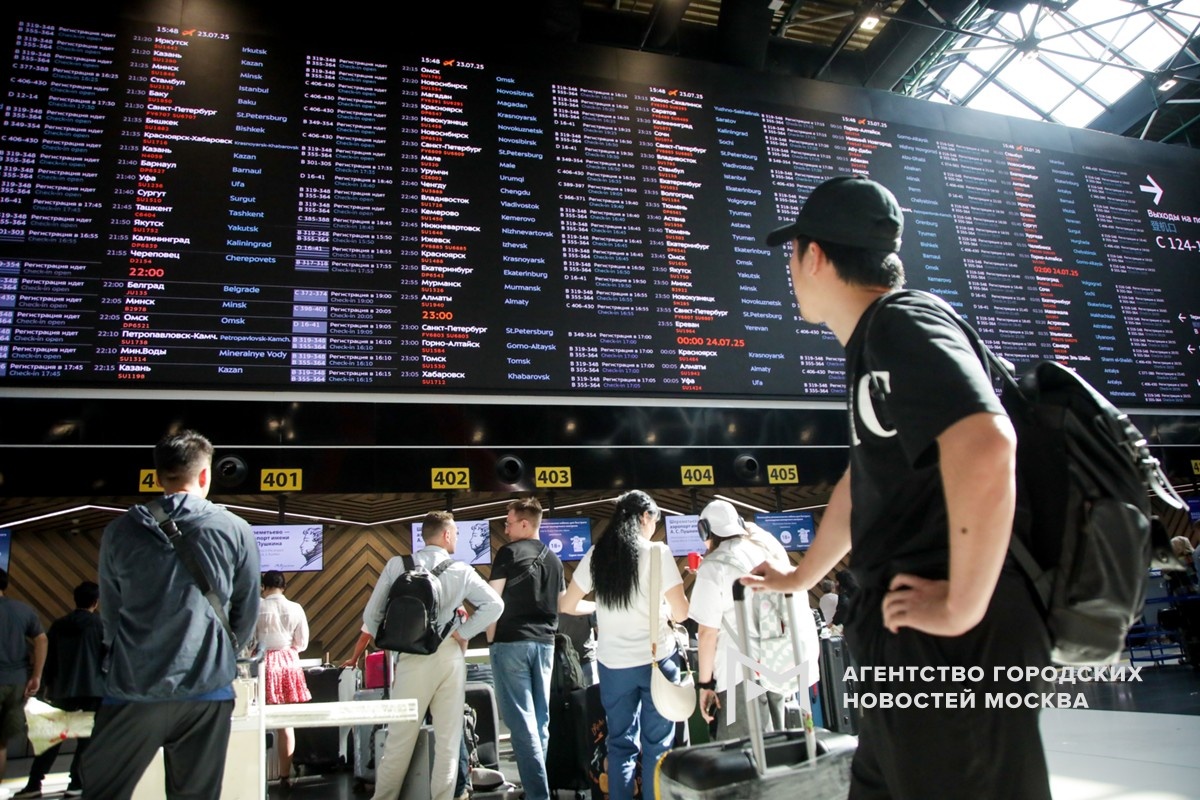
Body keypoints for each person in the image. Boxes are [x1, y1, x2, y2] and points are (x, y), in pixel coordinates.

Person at [744, 175, 1052, 800]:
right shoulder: (873, 349)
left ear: (816, 255)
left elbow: (989, 443)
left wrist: (962, 604)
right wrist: (802, 577)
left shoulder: (901, 322)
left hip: (949, 645)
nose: (791, 271)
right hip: (906, 641)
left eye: (793, 254)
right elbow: (863, 484)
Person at [82, 429, 261, 800]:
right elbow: (246, 608)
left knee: (103, 791)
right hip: (207, 690)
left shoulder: (120, 531)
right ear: (205, 475)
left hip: (134, 687)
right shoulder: (235, 529)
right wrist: (226, 652)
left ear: (158, 476)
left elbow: (111, 614)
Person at [362, 511, 503, 800]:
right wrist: (464, 632)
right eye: (457, 534)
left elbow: (371, 615)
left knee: (399, 739)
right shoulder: (461, 569)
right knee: (448, 741)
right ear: (447, 535)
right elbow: (494, 605)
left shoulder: (397, 565)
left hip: (412, 658)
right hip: (448, 656)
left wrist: (392, 642)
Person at [560, 490, 688, 800]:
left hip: (614, 665)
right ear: (645, 517)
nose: (653, 528)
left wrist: (599, 608)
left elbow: (567, 604)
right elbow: (682, 612)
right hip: (658, 660)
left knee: (619, 744)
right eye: (653, 521)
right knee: (658, 746)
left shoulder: (597, 555)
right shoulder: (658, 553)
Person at [688, 499, 817, 741]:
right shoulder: (766, 551)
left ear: (705, 530)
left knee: (746, 758)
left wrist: (704, 685)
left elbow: (707, 633)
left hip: (738, 674)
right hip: (778, 666)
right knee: (782, 749)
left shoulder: (713, 566)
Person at [486, 497, 564, 800]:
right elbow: (562, 603)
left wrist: (491, 640)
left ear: (524, 523)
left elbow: (493, 602)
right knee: (540, 723)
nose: (505, 530)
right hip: (545, 645)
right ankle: (535, 788)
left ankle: (537, 794)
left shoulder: (508, 553)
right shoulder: (554, 560)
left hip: (511, 643)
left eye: (507, 522)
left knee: (522, 723)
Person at [15, 581, 104, 799]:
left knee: (52, 738)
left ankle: (34, 784)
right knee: (87, 740)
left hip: (61, 689)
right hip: (93, 689)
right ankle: (76, 783)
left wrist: (45, 684)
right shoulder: (102, 625)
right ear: (96, 602)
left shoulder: (58, 625)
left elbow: (49, 658)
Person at [255, 570, 312, 787]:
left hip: (262, 664)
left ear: (263, 586)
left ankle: (258, 775)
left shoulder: (257, 607)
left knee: (257, 721)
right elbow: (303, 642)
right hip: (289, 662)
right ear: (284, 586)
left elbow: (250, 640)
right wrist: (288, 649)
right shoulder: (295, 608)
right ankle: (285, 776)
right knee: (286, 724)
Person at [0, 567, 47, 782]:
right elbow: (41, 639)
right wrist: (36, 675)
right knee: (1, 743)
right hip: (17, 683)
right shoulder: (23, 610)